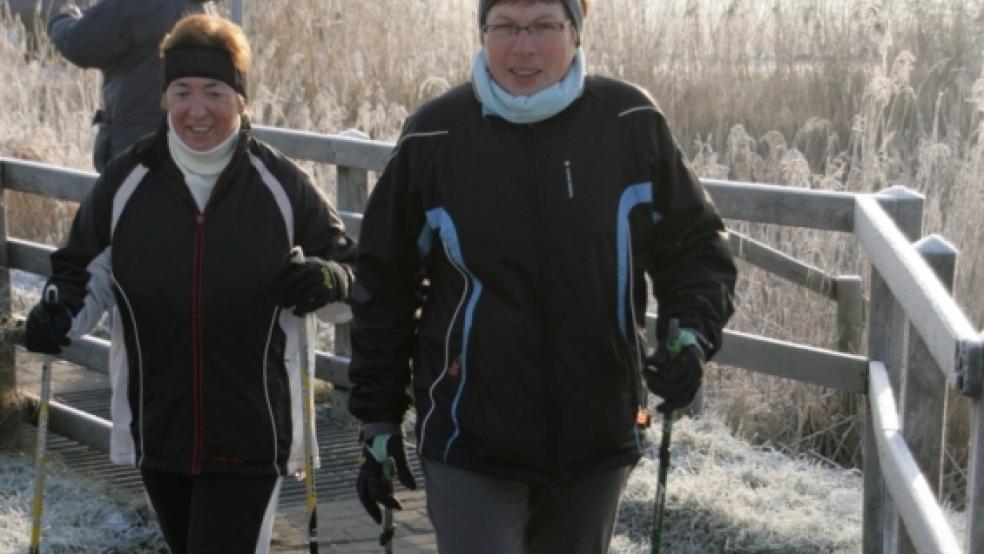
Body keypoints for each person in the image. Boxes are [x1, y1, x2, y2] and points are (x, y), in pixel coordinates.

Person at [347, 0, 737, 552]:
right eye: (504, 26)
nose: (523, 47)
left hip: (597, 432)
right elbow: (384, 284)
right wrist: (377, 418)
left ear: (577, 32)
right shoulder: (433, 137)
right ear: (482, 32)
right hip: (470, 435)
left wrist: (691, 334)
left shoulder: (628, 122)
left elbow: (695, 246)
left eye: (544, 27)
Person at [24, 14, 356, 553]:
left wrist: (328, 280)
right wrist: (57, 317)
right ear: (163, 98)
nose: (197, 109)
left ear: (242, 100)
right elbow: (82, 275)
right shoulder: (126, 183)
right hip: (162, 430)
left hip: (252, 431)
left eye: (215, 92)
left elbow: (350, 277)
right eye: (182, 91)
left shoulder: (280, 185)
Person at [48, 0, 211, 171]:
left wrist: (62, 20)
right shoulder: (193, 6)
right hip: (186, 143)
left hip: (136, 146)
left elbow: (80, 44)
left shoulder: (134, 5)